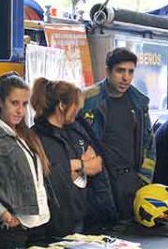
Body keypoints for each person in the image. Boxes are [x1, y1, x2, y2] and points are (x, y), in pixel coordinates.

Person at [0, 72, 53, 249]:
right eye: (14, 103)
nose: (20, 110)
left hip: (39, 223)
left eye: (24, 104)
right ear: (0, 102)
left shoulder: (27, 135)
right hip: (12, 228)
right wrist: (5, 216)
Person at [30, 77, 115, 236]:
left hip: (85, 215)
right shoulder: (36, 137)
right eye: (76, 107)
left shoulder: (78, 128)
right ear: (62, 105)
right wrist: (81, 165)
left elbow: (97, 164)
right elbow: (50, 179)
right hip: (56, 223)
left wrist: (74, 166)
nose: (78, 111)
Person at [79, 47, 156, 221]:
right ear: (108, 71)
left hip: (130, 182)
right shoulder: (88, 100)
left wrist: (143, 179)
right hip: (97, 183)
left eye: (130, 72)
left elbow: (149, 144)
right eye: (120, 71)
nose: (126, 77)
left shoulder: (139, 103)